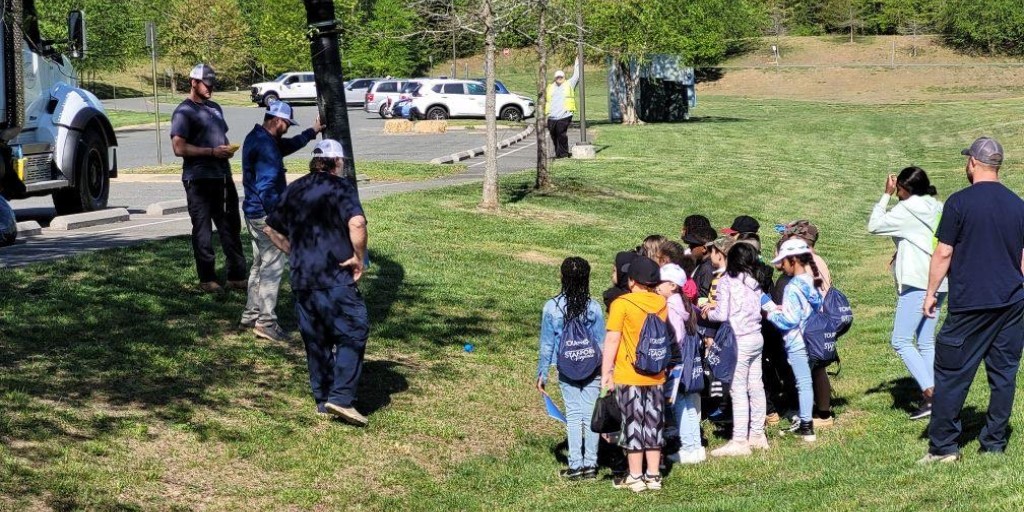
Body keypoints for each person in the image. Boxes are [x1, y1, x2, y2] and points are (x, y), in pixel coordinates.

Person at [920, 137, 1024, 464]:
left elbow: (944, 251)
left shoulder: (958, 203)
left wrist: (930, 293)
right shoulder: (1018, 204)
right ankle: (993, 443)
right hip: (1012, 302)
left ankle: (943, 448)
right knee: (1004, 374)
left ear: (973, 164)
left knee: (951, 372)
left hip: (971, 303)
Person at [263, 139, 369, 426]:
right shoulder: (341, 187)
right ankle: (342, 398)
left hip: (303, 278)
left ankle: (323, 399)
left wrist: (293, 250)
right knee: (354, 330)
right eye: (342, 161)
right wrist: (359, 257)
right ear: (336, 162)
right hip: (334, 277)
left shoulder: (296, 188)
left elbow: (270, 226)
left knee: (316, 338)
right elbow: (357, 223)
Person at [239, 101, 323, 341]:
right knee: (273, 267)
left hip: (252, 212)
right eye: (286, 124)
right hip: (265, 214)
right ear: (276, 120)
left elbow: (285, 146)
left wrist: (311, 132)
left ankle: (250, 314)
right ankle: (265, 322)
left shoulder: (258, 137)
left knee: (259, 264)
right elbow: (267, 188)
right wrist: (275, 222)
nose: (287, 128)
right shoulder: (266, 146)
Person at [867, 166, 947, 420]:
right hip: (941, 280)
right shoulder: (937, 206)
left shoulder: (904, 210)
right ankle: (940, 396)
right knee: (924, 340)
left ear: (904, 189)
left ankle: (931, 394)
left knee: (900, 340)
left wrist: (885, 196)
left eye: (898, 188)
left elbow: (874, 225)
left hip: (917, 283)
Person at [170, 63, 246, 293]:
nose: (210, 88)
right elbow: (178, 147)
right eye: (206, 84)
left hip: (222, 175)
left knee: (231, 226)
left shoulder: (215, 107)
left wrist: (225, 149)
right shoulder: (184, 111)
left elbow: (217, 136)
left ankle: (237, 277)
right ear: (193, 82)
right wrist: (211, 152)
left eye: (212, 84)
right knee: (203, 231)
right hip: (199, 179)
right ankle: (207, 279)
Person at [601, 255, 669, 493]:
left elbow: (612, 338)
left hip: (628, 373)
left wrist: (606, 371)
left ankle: (635, 476)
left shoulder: (622, 304)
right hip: (656, 374)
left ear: (632, 281)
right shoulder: (661, 303)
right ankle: (653, 475)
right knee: (653, 424)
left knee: (633, 425)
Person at [536, 257, 606, 480]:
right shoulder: (594, 307)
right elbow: (601, 342)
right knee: (590, 415)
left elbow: (547, 344)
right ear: (587, 278)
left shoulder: (551, 307)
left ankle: (575, 466)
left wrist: (542, 373)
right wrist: (607, 371)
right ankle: (591, 465)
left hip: (566, 368)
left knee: (574, 416)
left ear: (562, 277)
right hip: (592, 367)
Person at [703, 243, 768, 456]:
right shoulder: (754, 282)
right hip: (756, 338)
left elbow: (722, 315)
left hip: (738, 340)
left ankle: (740, 441)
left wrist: (706, 313)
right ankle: (757, 435)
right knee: (755, 386)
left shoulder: (726, 282)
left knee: (737, 389)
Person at [763, 239, 824, 442]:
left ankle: (806, 426)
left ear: (794, 260)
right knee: (806, 382)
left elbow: (789, 320)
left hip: (797, 341)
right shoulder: (809, 280)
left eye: (784, 261)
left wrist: (771, 312)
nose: (782, 265)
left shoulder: (792, 286)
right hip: (811, 339)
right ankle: (807, 425)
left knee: (802, 383)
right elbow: (815, 305)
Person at [780, 219, 834, 424]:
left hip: (809, 323)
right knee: (817, 367)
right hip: (820, 321)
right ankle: (821, 411)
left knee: (811, 369)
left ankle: (817, 415)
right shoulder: (818, 260)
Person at [657, 263, 705, 464]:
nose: (657, 286)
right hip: (687, 361)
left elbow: (675, 336)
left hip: (676, 361)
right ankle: (696, 447)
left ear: (673, 286)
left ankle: (688, 447)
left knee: (679, 404)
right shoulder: (684, 304)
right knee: (688, 404)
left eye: (661, 283)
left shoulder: (672, 307)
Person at [546, 57, 581, 159]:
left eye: (561, 77)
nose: (559, 78)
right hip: (552, 117)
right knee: (554, 136)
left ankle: (564, 154)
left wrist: (577, 62)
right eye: (557, 77)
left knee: (561, 134)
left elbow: (577, 75)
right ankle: (559, 154)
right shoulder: (550, 87)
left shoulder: (569, 84)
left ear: (564, 77)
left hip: (565, 115)